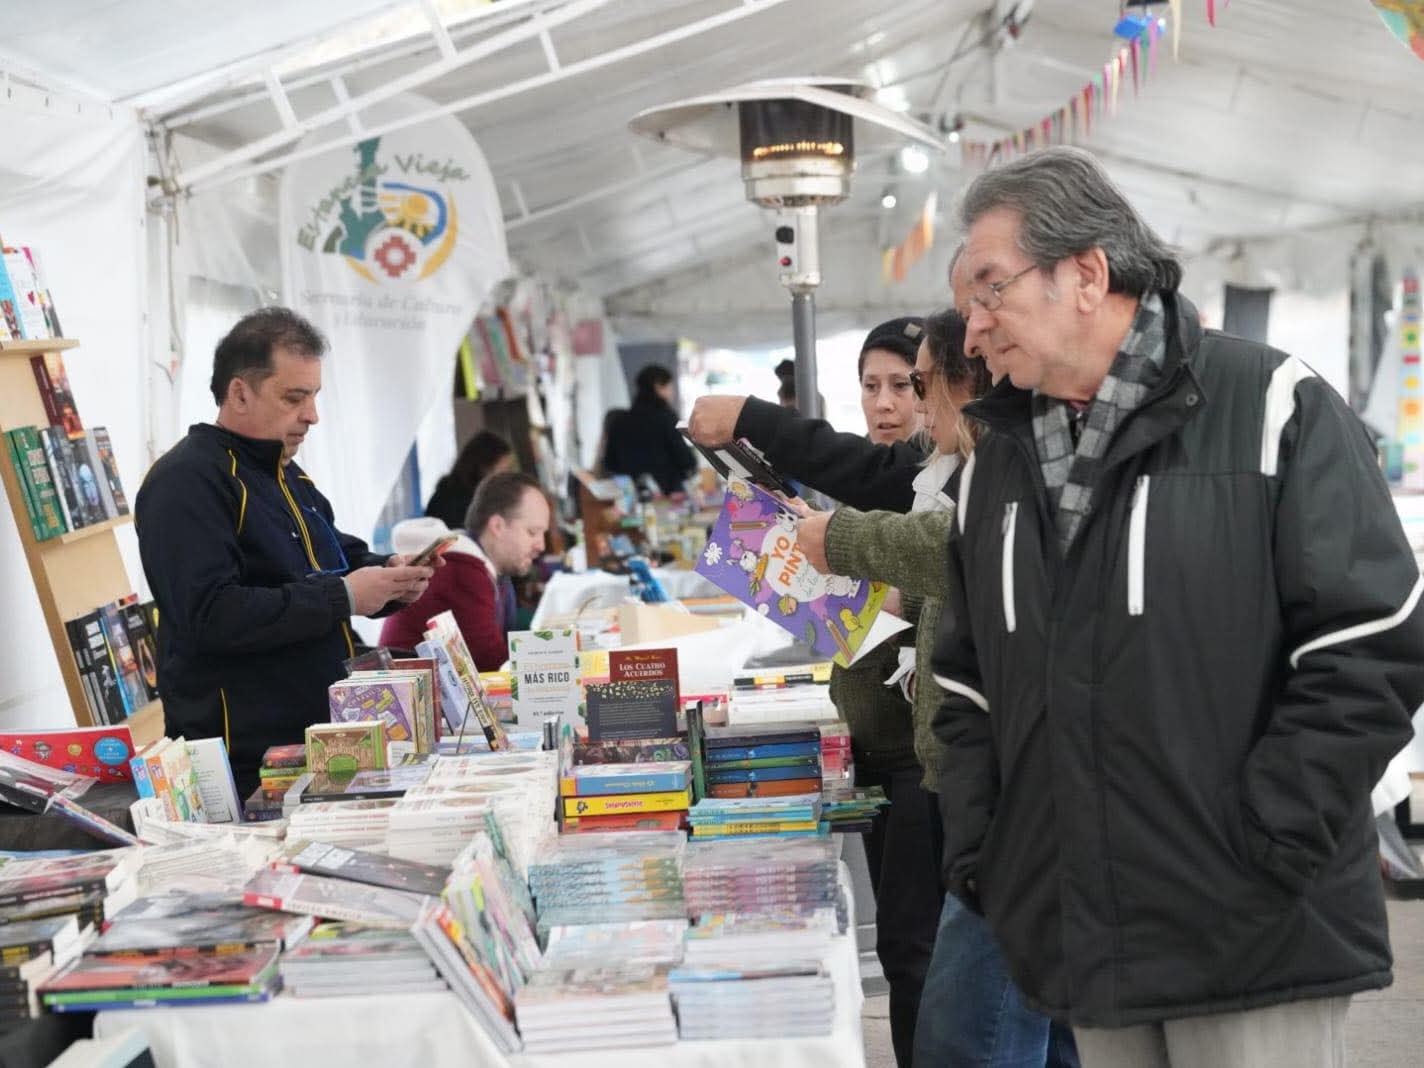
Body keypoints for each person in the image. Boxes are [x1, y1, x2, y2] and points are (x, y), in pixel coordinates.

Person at [932, 145, 1424, 1068]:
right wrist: (991, 851)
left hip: (1250, 927)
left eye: (990, 291)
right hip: (1084, 927)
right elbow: (962, 683)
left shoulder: (1274, 405)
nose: (971, 331)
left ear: (1085, 273)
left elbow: (1373, 640)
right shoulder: (995, 464)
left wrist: (1270, 837)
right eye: (968, 303)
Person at [796, 310, 1078, 1068]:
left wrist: (840, 546)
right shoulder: (954, 475)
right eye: (877, 386)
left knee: (974, 1013)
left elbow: (949, 550)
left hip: (989, 789)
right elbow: (934, 590)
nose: (903, 405)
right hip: (955, 771)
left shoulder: (998, 481)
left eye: (913, 384)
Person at [689, 317, 941, 1068]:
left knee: (917, 948)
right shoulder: (888, 483)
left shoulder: (933, 484)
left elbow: (942, 578)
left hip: (927, 757)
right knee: (906, 950)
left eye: (906, 385)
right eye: (872, 385)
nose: (887, 403)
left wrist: (896, 597)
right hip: (877, 741)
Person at [134, 308, 434, 795]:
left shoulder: (288, 474)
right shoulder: (186, 482)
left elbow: (337, 559)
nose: (312, 415)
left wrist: (394, 575)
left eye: (314, 396)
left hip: (316, 744)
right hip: (245, 764)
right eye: (294, 398)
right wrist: (345, 597)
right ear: (239, 393)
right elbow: (211, 614)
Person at [379, 471, 551, 670]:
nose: (541, 546)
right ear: (497, 526)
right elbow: (495, 665)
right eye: (532, 532)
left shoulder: (476, 567)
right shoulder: (462, 573)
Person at [602, 364, 695, 495]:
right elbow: (684, 459)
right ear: (657, 386)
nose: (671, 393)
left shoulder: (618, 420)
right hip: (667, 496)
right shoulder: (666, 417)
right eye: (669, 387)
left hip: (630, 497)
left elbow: (610, 462)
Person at [423, 429, 514, 530]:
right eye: (505, 469)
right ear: (485, 467)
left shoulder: (452, 492)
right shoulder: (456, 502)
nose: (507, 477)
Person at [857, 316, 923, 445]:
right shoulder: (846, 463)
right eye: (870, 386)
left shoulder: (967, 463)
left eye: (900, 385)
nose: (882, 404)